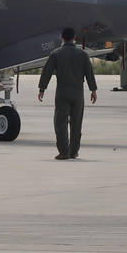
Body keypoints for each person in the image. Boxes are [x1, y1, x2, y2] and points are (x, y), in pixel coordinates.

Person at [38, 27, 98, 160]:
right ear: (74, 37)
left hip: (62, 93)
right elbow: (89, 73)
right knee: (76, 124)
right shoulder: (83, 54)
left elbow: (46, 72)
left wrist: (42, 89)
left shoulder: (56, 53)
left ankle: (64, 152)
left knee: (60, 123)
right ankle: (74, 151)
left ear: (62, 37)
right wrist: (93, 90)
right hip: (78, 94)